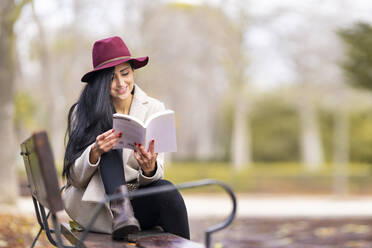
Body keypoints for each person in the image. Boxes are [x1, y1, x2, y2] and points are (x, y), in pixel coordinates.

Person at [62, 36, 190, 240]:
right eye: (112, 78)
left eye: (125, 73)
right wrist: (95, 152)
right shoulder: (84, 111)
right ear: (101, 82)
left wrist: (149, 168)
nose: (121, 83)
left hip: (137, 201)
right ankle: (121, 212)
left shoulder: (155, 108)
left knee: (167, 190)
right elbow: (75, 180)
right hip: (98, 205)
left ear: (133, 71)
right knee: (109, 142)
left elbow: (158, 174)